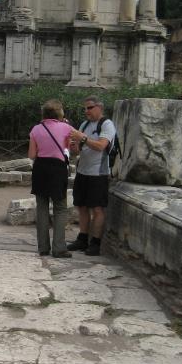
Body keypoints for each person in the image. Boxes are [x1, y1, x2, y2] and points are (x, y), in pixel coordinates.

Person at [67, 95, 116, 256]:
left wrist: (83, 138)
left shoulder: (107, 124)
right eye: (85, 108)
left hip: (98, 173)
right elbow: (78, 151)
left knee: (97, 208)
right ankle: (82, 238)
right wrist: (73, 146)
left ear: (99, 107)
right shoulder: (85, 124)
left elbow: (101, 146)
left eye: (90, 107)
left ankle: (95, 242)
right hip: (83, 171)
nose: (86, 111)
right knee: (81, 206)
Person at [29, 99, 75, 258]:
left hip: (40, 168)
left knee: (42, 207)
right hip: (57, 169)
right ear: (60, 113)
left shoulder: (36, 129)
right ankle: (59, 247)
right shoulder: (66, 128)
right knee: (60, 207)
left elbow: (32, 155)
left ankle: (43, 247)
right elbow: (73, 146)